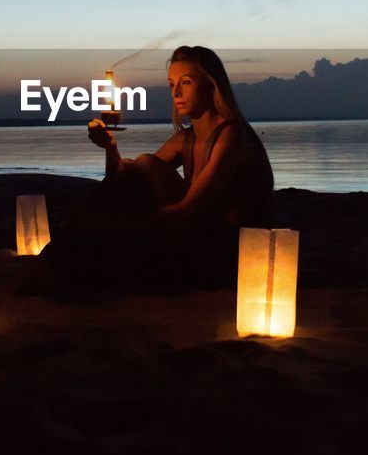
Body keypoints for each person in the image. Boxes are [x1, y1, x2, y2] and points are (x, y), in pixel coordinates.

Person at [40, 45, 274, 292]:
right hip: (194, 240)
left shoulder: (232, 137)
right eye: (171, 84)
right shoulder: (187, 138)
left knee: (144, 166)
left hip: (231, 256)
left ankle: (66, 255)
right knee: (136, 171)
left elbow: (187, 212)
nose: (176, 92)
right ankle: (68, 254)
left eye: (186, 82)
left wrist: (113, 223)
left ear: (210, 85)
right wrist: (110, 148)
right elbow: (125, 181)